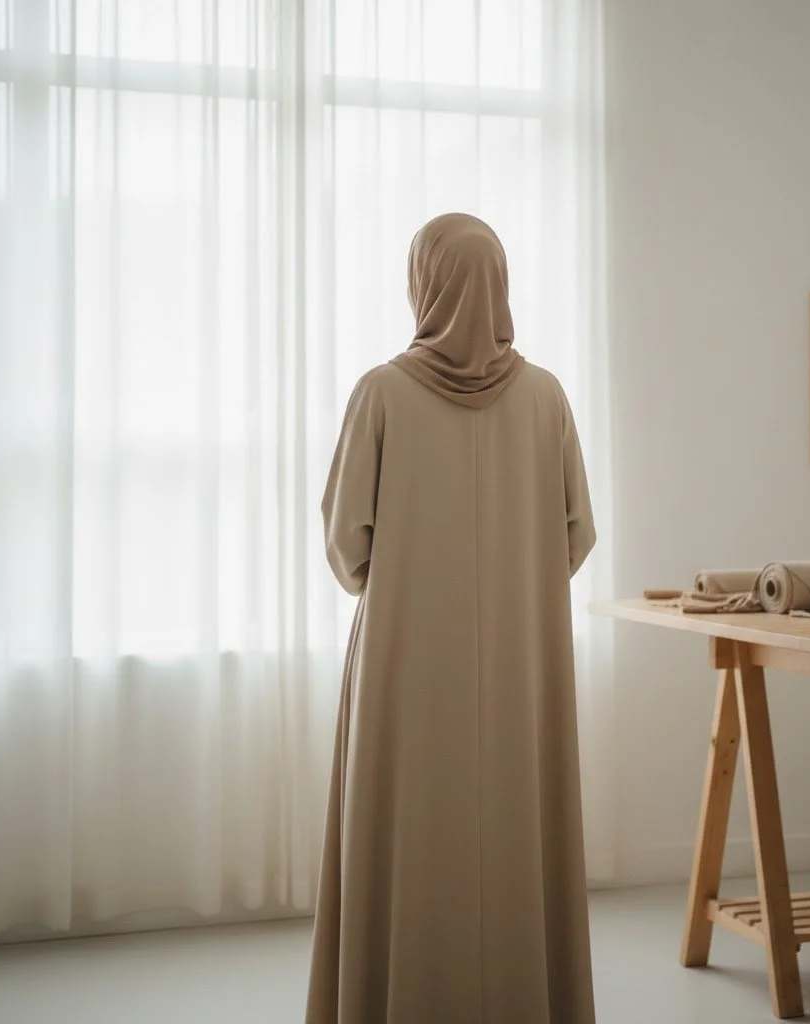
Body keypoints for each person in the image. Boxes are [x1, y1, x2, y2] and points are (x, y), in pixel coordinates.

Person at [305, 212, 597, 1023]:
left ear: (423, 283)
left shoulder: (382, 393)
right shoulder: (546, 398)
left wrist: (408, 585)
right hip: (518, 665)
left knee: (400, 835)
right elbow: (577, 537)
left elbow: (346, 546)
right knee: (516, 829)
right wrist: (517, 589)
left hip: (405, 668)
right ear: (501, 284)